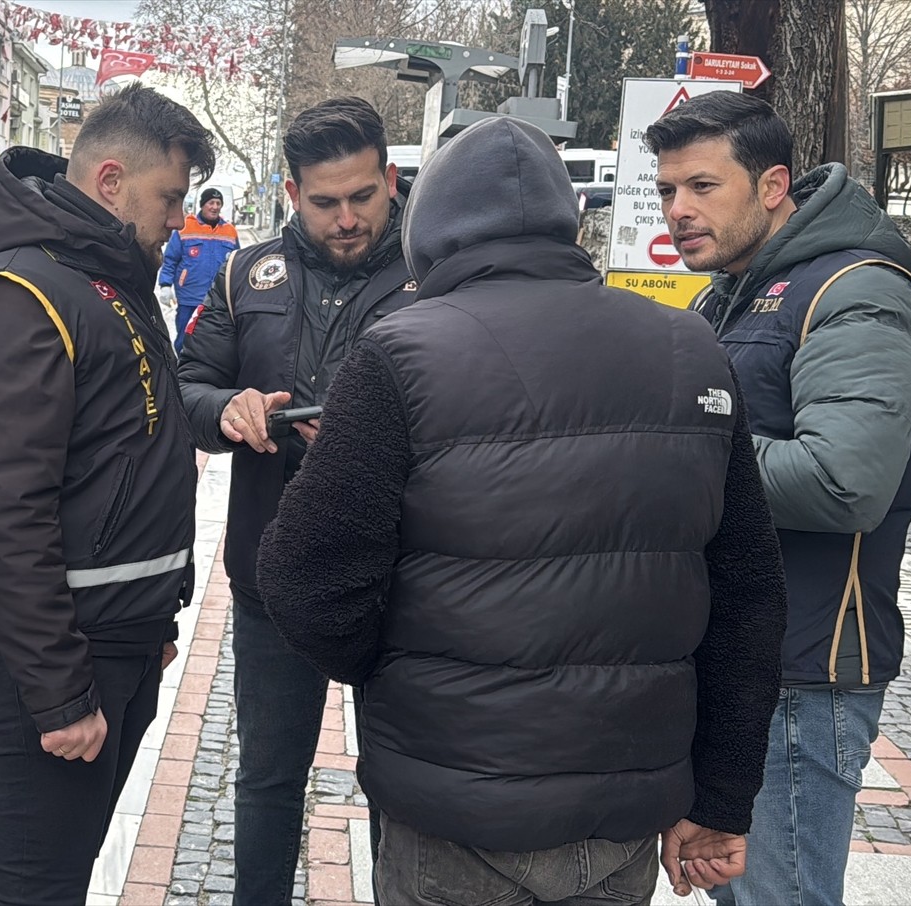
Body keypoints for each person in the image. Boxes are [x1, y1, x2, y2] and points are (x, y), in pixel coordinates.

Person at [255, 115, 789, 906]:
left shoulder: (400, 354)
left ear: (428, 232)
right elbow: (748, 597)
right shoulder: (691, 348)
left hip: (457, 810)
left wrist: (399, 671)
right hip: (622, 817)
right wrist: (720, 800)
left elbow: (302, 579)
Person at [646, 90, 911, 906]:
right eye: (669, 190)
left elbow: (846, 482)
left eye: (703, 187)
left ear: (773, 186)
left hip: (805, 674)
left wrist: (677, 451)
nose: (679, 210)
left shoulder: (856, 292)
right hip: (738, 660)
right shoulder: (731, 294)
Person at [0, 84, 216, 904]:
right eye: (169, 197)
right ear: (112, 181)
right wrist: (58, 694)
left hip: (110, 642)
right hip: (44, 665)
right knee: (35, 891)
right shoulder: (21, 293)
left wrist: (149, 620)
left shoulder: (104, 278)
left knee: (63, 877)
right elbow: (7, 512)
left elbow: (125, 452)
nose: (176, 219)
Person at [178, 96, 418, 905]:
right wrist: (228, 410)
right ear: (292, 193)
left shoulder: (438, 274)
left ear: (390, 178)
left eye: (362, 196)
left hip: (402, 579)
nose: (347, 219)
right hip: (272, 571)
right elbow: (188, 386)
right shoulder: (246, 275)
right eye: (325, 203)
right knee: (269, 775)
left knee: (401, 780)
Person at [159, 186, 239, 353]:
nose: (215, 207)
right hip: (190, 296)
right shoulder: (185, 227)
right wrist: (165, 285)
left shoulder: (229, 231)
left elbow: (237, 263)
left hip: (218, 299)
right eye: (211, 202)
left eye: (218, 203)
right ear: (202, 205)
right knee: (185, 339)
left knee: (215, 342)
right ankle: (181, 374)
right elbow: (171, 259)